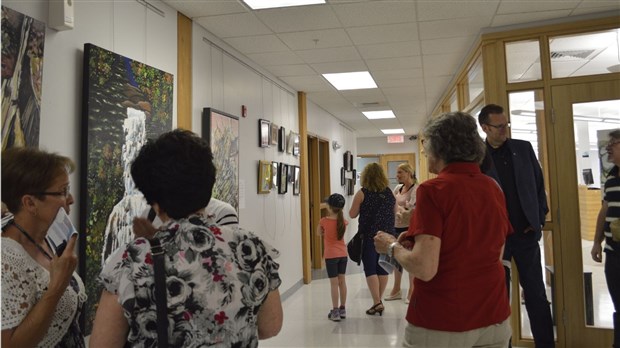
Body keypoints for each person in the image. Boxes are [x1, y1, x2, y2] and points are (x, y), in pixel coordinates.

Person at [89, 129, 283, 347]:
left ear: (154, 199)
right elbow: (271, 325)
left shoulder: (130, 260)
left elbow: (102, 344)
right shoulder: (250, 247)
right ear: (208, 182)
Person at [374, 111, 512, 347]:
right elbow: (491, 252)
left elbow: (424, 268)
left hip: (443, 318)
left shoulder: (433, 190)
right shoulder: (493, 188)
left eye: (426, 145)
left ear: (439, 148)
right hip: (493, 316)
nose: (425, 151)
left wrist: (391, 246)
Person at [479, 104, 553, 348]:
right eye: (499, 126)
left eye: (506, 124)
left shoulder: (523, 148)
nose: (504, 130)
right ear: (485, 127)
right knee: (499, 298)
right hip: (497, 240)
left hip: (526, 235)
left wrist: (538, 218)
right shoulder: (477, 156)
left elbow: (538, 185)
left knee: (536, 295)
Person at [1, 147, 86, 347]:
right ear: (30, 203)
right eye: (63, 191)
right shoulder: (5, 260)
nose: (71, 199)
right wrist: (57, 286)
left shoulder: (45, 239)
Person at [349, 162, 395, 316]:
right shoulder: (389, 192)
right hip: (388, 237)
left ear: (366, 177)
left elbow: (352, 214)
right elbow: (394, 212)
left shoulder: (362, 193)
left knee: (370, 268)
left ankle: (376, 302)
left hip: (369, 236)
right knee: (383, 268)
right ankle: (378, 302)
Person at [591, 129, 620, 347]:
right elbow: (605, 210)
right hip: (614, 252)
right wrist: (596, 241)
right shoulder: (611, 178)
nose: (608, 147)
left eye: (614, 143)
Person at [385, 162, 417, 304]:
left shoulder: (416, 189)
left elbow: (412, 210)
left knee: (410, 260)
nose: (397, 175)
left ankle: (412, 291)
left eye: (400, 173)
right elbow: (392, 204)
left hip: (409, 229)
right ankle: (396, 289)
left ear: (408, 173)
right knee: (396, 258)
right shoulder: (398, 188)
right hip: (396, 227)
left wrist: (403, 210)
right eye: (397, 173)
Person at [318, 193, 349, 322]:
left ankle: (335, 311)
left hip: (331, 256)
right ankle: (343, 309)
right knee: (342, 282)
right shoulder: (344, 221)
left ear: (330, 207)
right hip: (343, 254)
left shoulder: (323, 221)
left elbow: (317, 233)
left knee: (334, 284)